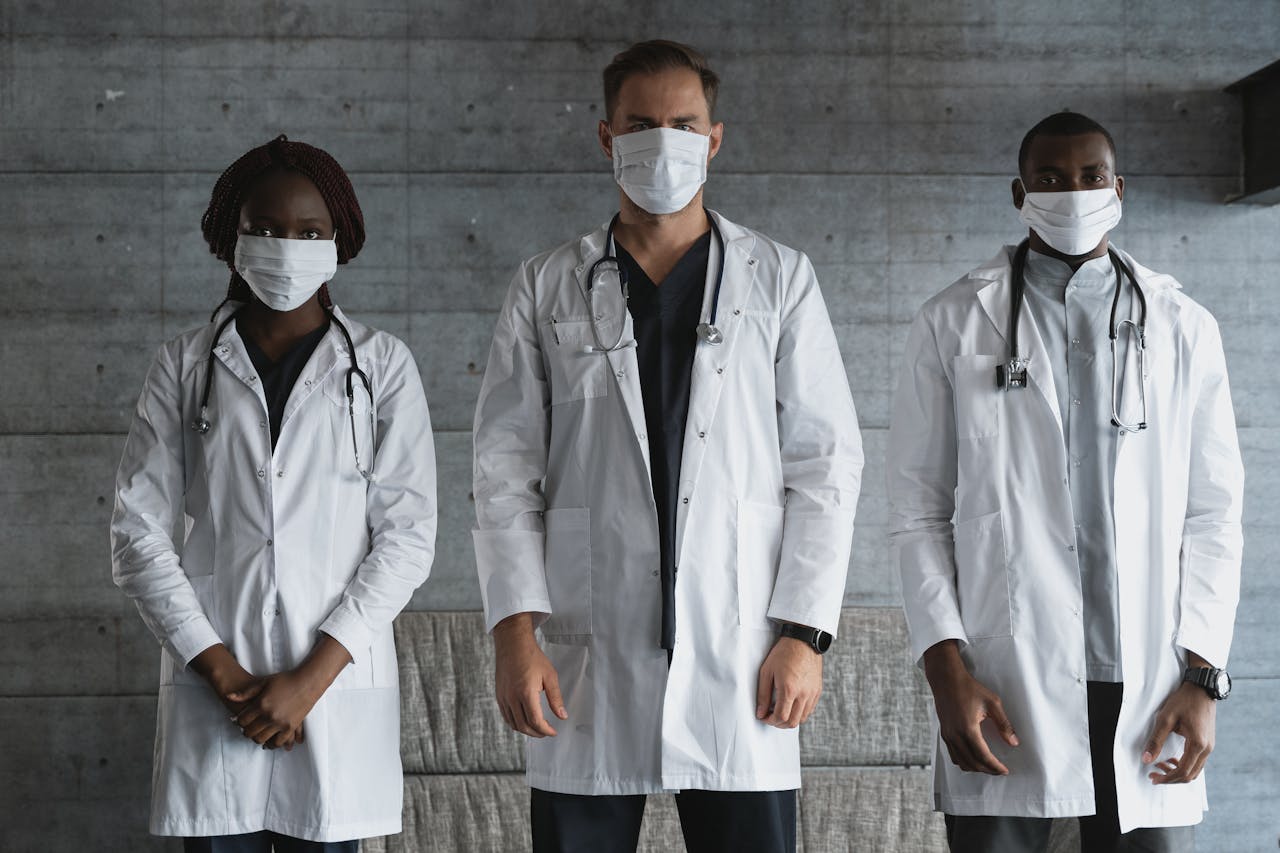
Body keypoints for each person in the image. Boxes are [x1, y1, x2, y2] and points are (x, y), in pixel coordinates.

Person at [471, 39, 863, 853]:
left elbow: (825, 465)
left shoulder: (779, 278)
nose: (663, 142)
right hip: (588, 646)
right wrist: (514, 635)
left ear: (714, 139)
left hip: (741, 647)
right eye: (640, 124)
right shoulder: (546, 284)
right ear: (606, 138)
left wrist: (804, 634)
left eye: (683, 124)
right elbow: (505, 470)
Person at [888, 112, 1243, 852]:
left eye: (1090, 176)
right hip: (1004, 672)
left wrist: (1203, 676)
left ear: (1119, 188)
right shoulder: (953, 321)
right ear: (1020, 194)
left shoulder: (1182, 326)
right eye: (1050, 179)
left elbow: (1213, 515)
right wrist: (944, 668)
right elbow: (918, 513)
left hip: (1147, 677)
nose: (1073, 193)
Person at [110, 135, 437, 852]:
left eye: (310, 232)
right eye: (265, 229)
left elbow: (407, 541)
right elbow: (137, 534)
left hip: (333, 693)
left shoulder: (382, 367)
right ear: (232, 240)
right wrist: (222, 672)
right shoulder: (184, 365)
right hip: (215, 692)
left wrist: (308, 682)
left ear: (339, 238)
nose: (287, 248)